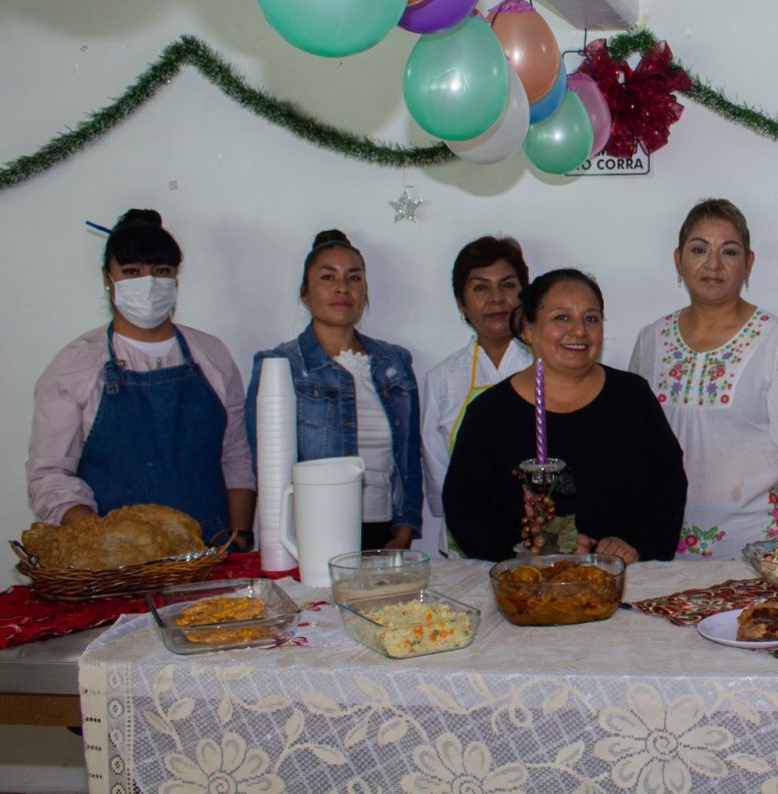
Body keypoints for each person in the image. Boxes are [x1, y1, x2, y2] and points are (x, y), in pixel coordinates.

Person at [27, 209, 255, 545]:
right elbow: (50, 475)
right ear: (108, 278)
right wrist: (106, 540)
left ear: (175, 278)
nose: (148, 284)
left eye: (161, 272)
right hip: (116, 565)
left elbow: (235, 454)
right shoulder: (76, 366)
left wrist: (240, 536)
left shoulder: (212, 355)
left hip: (210, 552)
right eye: (132, 272)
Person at [444, 269, 687, 564]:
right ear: (529, 329)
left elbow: (668, 482)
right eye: (561, 317)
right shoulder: (490, 413)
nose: (579, 330)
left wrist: (636, 544)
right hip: (528, 587)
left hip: (625, 579)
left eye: (591, 318)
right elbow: (464, 506)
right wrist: (529, 550)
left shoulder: (633, 397)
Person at [630, 200, 778, 557]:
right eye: (699, 249)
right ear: (678, 260)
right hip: (661, 546)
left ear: (749, 263)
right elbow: (634, 448)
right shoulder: (651, 340)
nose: (713, 264)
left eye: (729, 251)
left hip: (757, 551)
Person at [246, 230, 421, 551]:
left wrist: (406, 525)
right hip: (312, 534)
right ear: (305, 293)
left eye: (354, 278)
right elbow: (265, 467)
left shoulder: (395, 362)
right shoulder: (279, 365)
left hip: (385, 532)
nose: (343, 287)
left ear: (366, 292)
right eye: (328, 277)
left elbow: (409, 455)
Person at [420, 235, 533, 555]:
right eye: (481, 287)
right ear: (460, 301)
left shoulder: (549, 368)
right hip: (466, 543)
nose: (496, 298)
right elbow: (439, 471)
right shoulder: (442, 379)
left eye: (508, 285)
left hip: (543, 541)